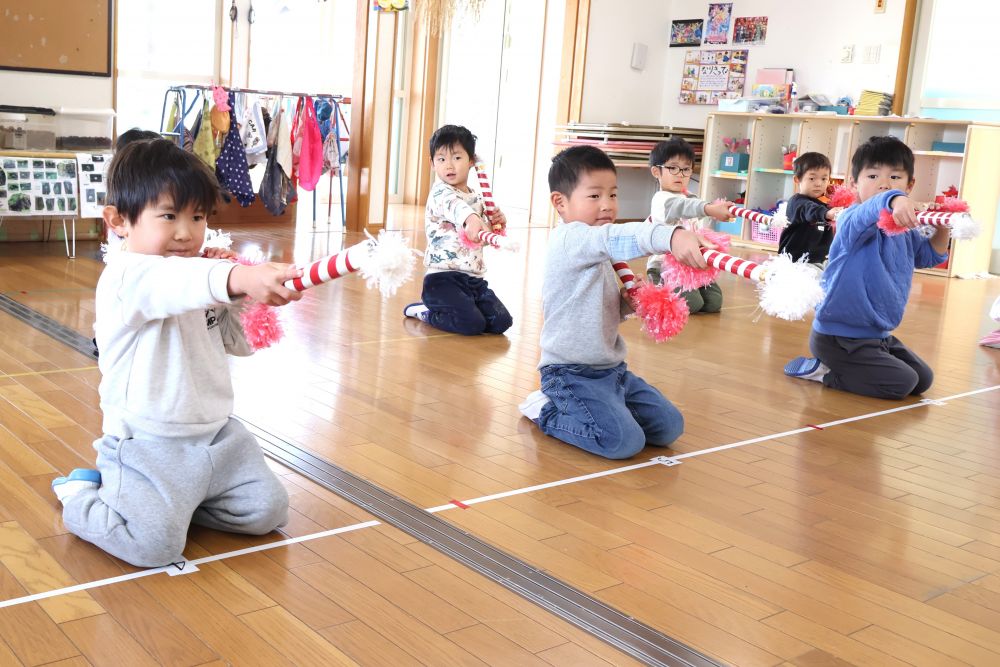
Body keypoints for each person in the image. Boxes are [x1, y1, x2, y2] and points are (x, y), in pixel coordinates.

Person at [52, 138, 303, 567]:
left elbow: (239, 344)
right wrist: (235, 276)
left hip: (219, 439)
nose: (186, 233)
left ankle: (177, 503)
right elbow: (174, 285)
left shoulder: (199, 273)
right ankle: (84, 496)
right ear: (119, 221)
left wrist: (236, 297)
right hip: (149, 446)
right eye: (168, 216)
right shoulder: (127, 277)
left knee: (267, 511)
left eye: (198, 217)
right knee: (153, 547)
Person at [517, 145, 719, 459]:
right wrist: (671, 236)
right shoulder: (572, 239)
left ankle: (607, 407)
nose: (607, 205)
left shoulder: (599, 252)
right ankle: (545, 410)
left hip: (612, 371)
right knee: (622, 442)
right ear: (560, 202)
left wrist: (626, 302)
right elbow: (615, 236)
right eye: (594, 196)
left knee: (669, 427)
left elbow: (599, 308)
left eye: (613, 195)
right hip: (569, 374)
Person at [784, 136, 949, 399]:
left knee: (923, 380)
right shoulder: (852, 218)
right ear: (854, 184)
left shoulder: (902, 226)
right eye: (872, 176)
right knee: (901, 383)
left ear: (911, 184)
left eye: (895, 178)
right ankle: (825, 371)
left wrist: (943, 226)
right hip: (838, 338)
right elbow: (872, 210)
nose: (884, 184)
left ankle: (864, 361)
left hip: (877, 334)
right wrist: (894, 198)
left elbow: (928, 256)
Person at [403, 124, 512, 335]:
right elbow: (456, 208)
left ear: (471, 160)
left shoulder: (476, 199)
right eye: (441, 159)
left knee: (501, 322)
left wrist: (496, 225)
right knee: (472, 324)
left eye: (457, 158)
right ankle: (426, 311)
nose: (449, 165)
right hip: (442, 280)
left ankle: (464, 308)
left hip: (474, 280)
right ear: (432, 163)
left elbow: (479, 236)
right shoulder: (440, 194)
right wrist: (471, 218)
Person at [643, 138, 733, 313]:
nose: (680, 174)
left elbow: (695, 209)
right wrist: (710, 209)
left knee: (713, 303)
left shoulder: (690, 196)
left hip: (690, 264)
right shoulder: (661, 199)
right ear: (656, 171)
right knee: (693, 304)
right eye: (673, 168)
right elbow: (683, 208)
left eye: (686, 169)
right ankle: (656, 283)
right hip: (665, 266)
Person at [777, 151, 842, 266]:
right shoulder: (797, 202)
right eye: (812, 178)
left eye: (824, 179)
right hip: (796, 261)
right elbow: (810, 210)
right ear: (797, 179)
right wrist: (828, 213)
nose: (818, 184)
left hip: (820, 259)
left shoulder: (824, 203)